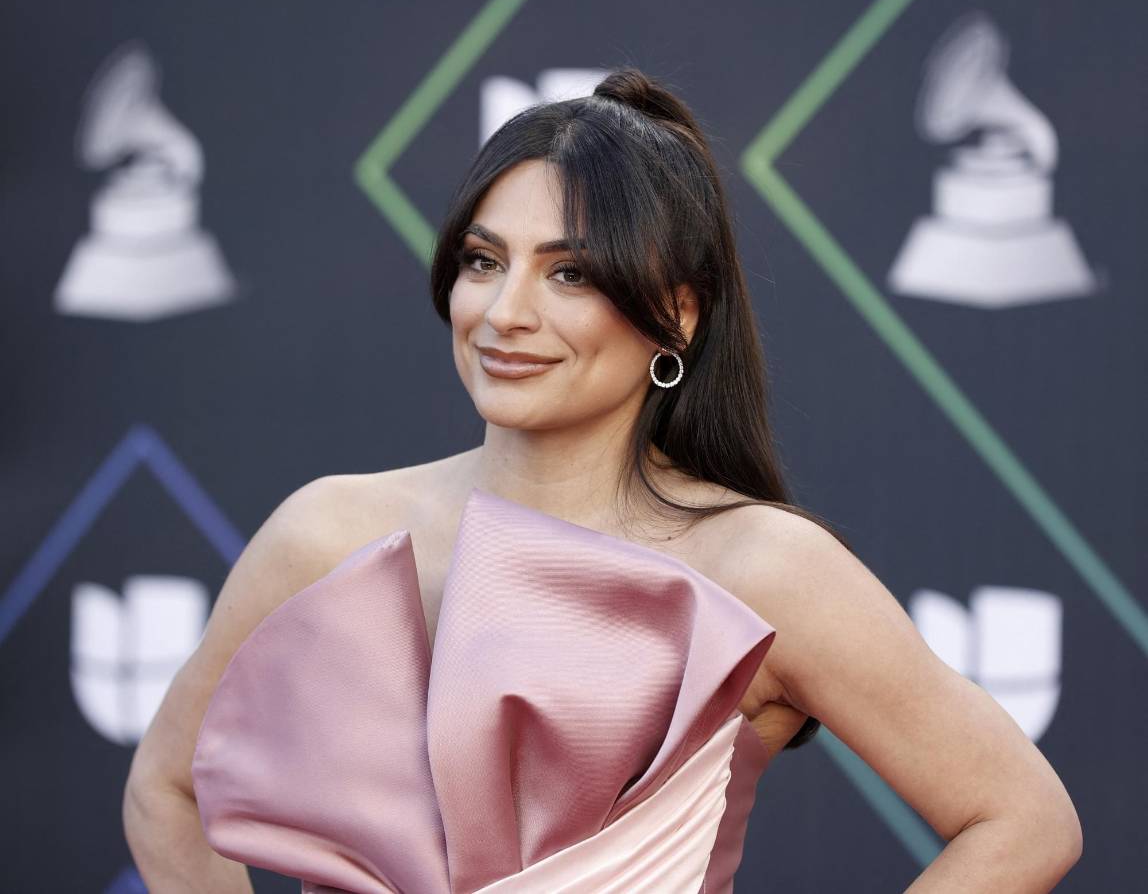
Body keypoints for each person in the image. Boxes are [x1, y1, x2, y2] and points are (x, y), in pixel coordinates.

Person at [123, 67, 1082, 893]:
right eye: (482, 260)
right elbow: (166, 788)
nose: (505, 312)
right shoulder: (328, 533)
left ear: (676, 315)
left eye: (570, 274)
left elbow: (1021, 818)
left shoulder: (761, 567)